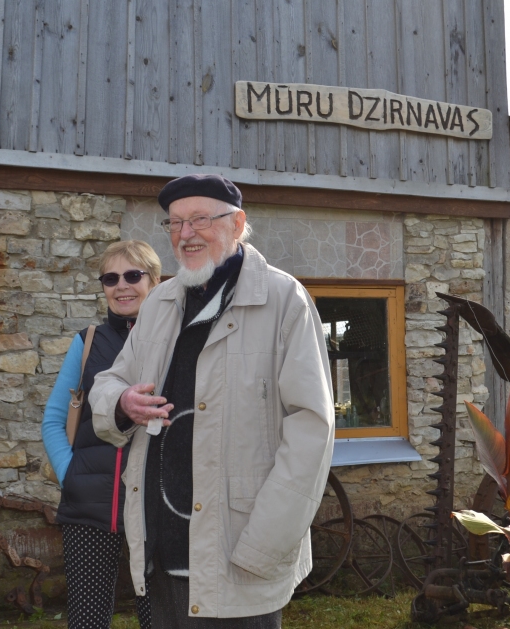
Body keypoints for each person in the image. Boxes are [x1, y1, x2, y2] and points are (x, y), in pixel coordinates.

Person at [90, 174, 335, 627]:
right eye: (175, 223)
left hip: (236, 556)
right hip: (161, 553)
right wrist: (123, 401)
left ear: (238, 223)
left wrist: (263, 548)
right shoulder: (161, 301)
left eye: (200, 219)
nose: (186, 234)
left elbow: (312, 433)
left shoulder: (284, 300)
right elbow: (109, 381)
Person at [42, 240, 161, 629]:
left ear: (154, 281)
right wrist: (70, 475)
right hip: (91, 508)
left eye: (133, 275)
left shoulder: (173, 341)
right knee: (88, 620)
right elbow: (54, 420)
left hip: (156, 507)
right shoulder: (88, 340)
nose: (121, 285)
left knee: (161, 616)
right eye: (111, 278)